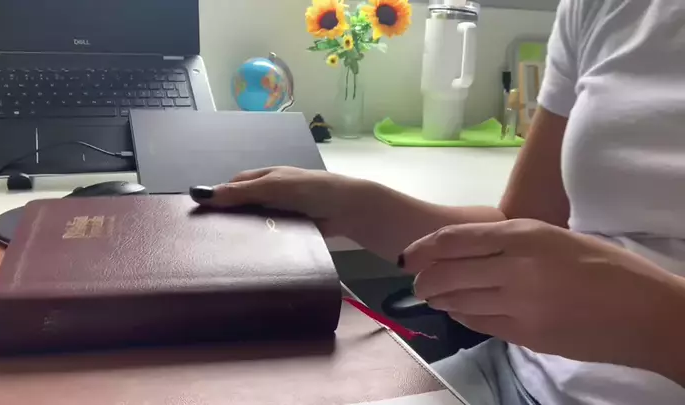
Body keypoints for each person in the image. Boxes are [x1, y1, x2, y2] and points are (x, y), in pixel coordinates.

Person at [191, 0, 685, 403]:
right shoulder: (605, 8)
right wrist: (355, 205)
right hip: (510, 378)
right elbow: (518, 228)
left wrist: (653, 315)